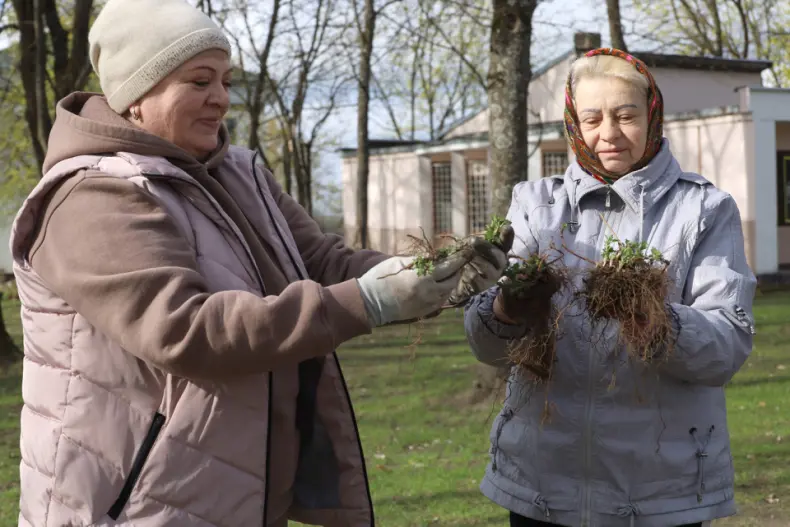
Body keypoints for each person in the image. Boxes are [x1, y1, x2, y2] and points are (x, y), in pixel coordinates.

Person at [9, 1, 509, 526]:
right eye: (200, 82)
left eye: (226, 81)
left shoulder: (239, 174)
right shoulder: (92, 196)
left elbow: (320, 261)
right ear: (136, 94)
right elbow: (185, 329)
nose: (221, 100)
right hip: (135, 503)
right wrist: (370, 302)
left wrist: (436, 274)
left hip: (233, 491)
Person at [464, 48, 756, 527]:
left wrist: (658, 321)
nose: (609, 134)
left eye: (626, 116)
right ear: (573, 122)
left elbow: (728, 344)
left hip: (661, 491)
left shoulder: (703, 209)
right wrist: (506, 308)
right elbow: (485, 345)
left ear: (652, 114)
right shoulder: (537, 205)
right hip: (541, 484)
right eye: (593, 118)